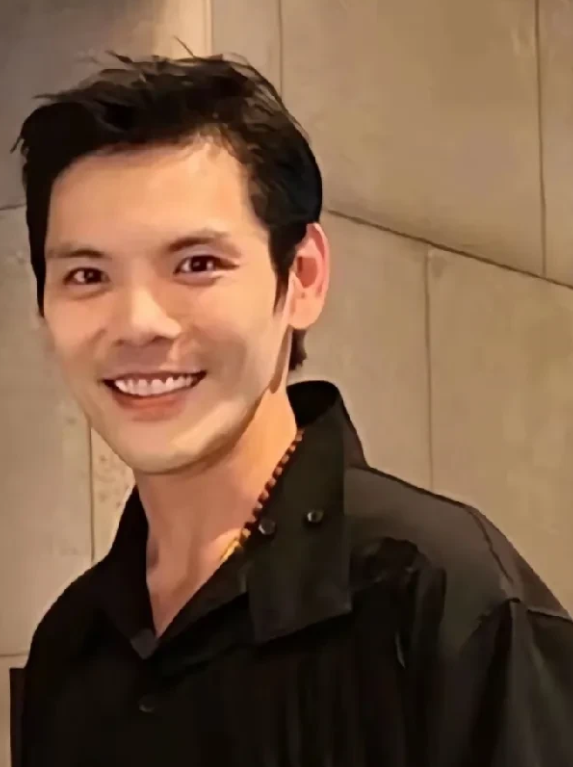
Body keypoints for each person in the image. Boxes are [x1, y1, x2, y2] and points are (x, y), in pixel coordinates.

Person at [11, 52, 573, 767]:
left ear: (301, 277)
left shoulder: (442, 596)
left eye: (196, 264)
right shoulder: (70, 647)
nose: (138, 323)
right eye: (88, 275)